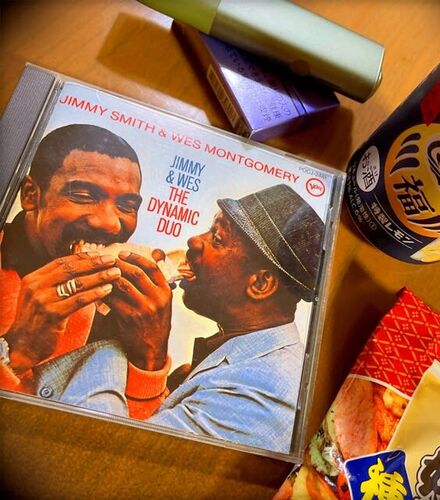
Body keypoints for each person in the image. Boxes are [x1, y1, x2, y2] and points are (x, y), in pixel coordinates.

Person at [29, 184, 326, 454]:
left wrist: (137, 351)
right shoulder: (243, 361)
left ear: (260, 284)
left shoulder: (263, 397)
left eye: (217, 239)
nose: (194, 241)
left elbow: (104, 459)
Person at [0, 124, 172, 414]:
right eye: (83, 195)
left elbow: (130, 431)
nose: (110, 223)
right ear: (30, 194)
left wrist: (150, 359)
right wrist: (16, 352)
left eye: (126, 206)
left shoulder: (125, 303)